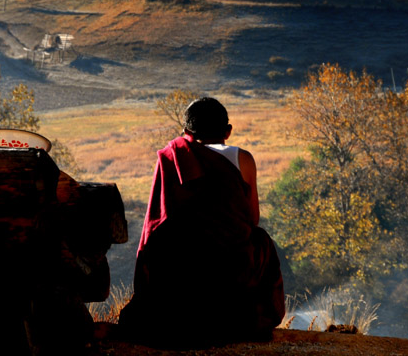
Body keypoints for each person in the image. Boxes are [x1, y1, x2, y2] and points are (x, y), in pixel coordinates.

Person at [118, 97, 285, 347]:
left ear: (186, 133)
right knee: (261, 240)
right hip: (233, 276)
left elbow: (156, 224)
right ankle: (243, 318)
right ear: (228, 131)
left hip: (184, 277)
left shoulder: (172, 158)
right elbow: (252, 220)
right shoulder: (243, 159)